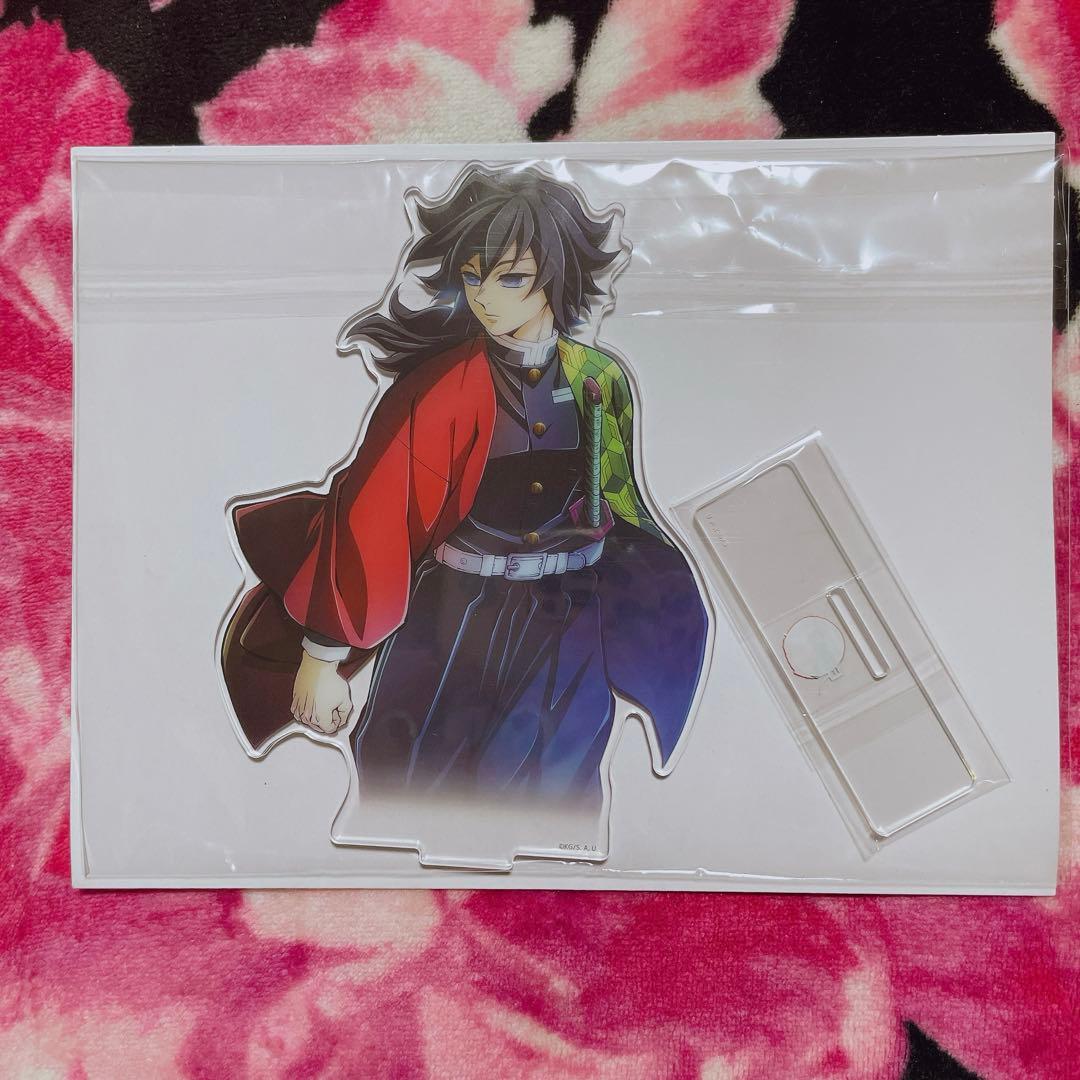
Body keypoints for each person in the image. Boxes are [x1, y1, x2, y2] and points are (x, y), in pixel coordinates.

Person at [221, 165, 708, 813]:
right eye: (474, 276)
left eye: (510, 278)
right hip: (456, 621)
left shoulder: (598, 380)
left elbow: (621, 509)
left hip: (567, 628)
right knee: (419, 788)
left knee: (561, 799)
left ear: (555, 276)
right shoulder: (440, 389)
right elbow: (375, 516)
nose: (484, 297)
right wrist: (322, 656)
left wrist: (645, 609)